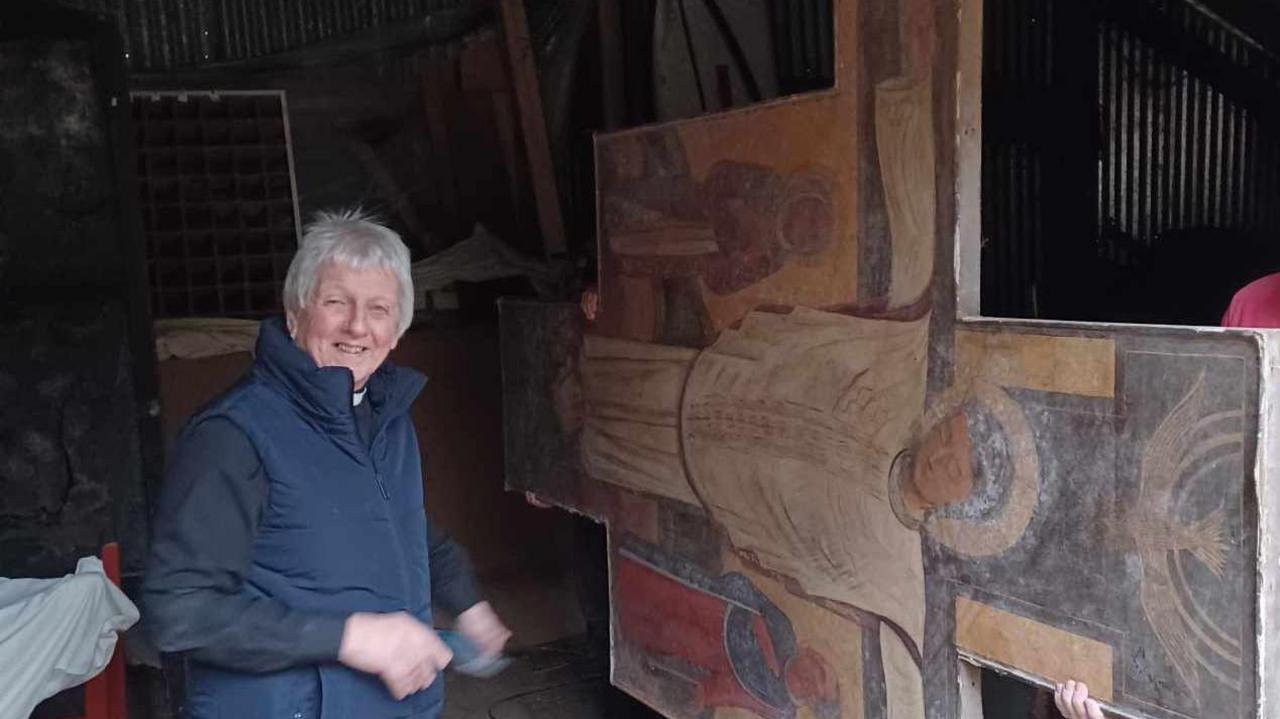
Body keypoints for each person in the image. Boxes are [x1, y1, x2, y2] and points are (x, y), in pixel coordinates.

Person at [143, 209, 510, 719]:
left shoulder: (386, 420)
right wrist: (350, 637)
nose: (358, 325)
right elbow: (179, 610)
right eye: (336, 302)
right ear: (295, 314)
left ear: (397, 331)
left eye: (379, 309)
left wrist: (466, 601)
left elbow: (402, 528)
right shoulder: (234, 435)